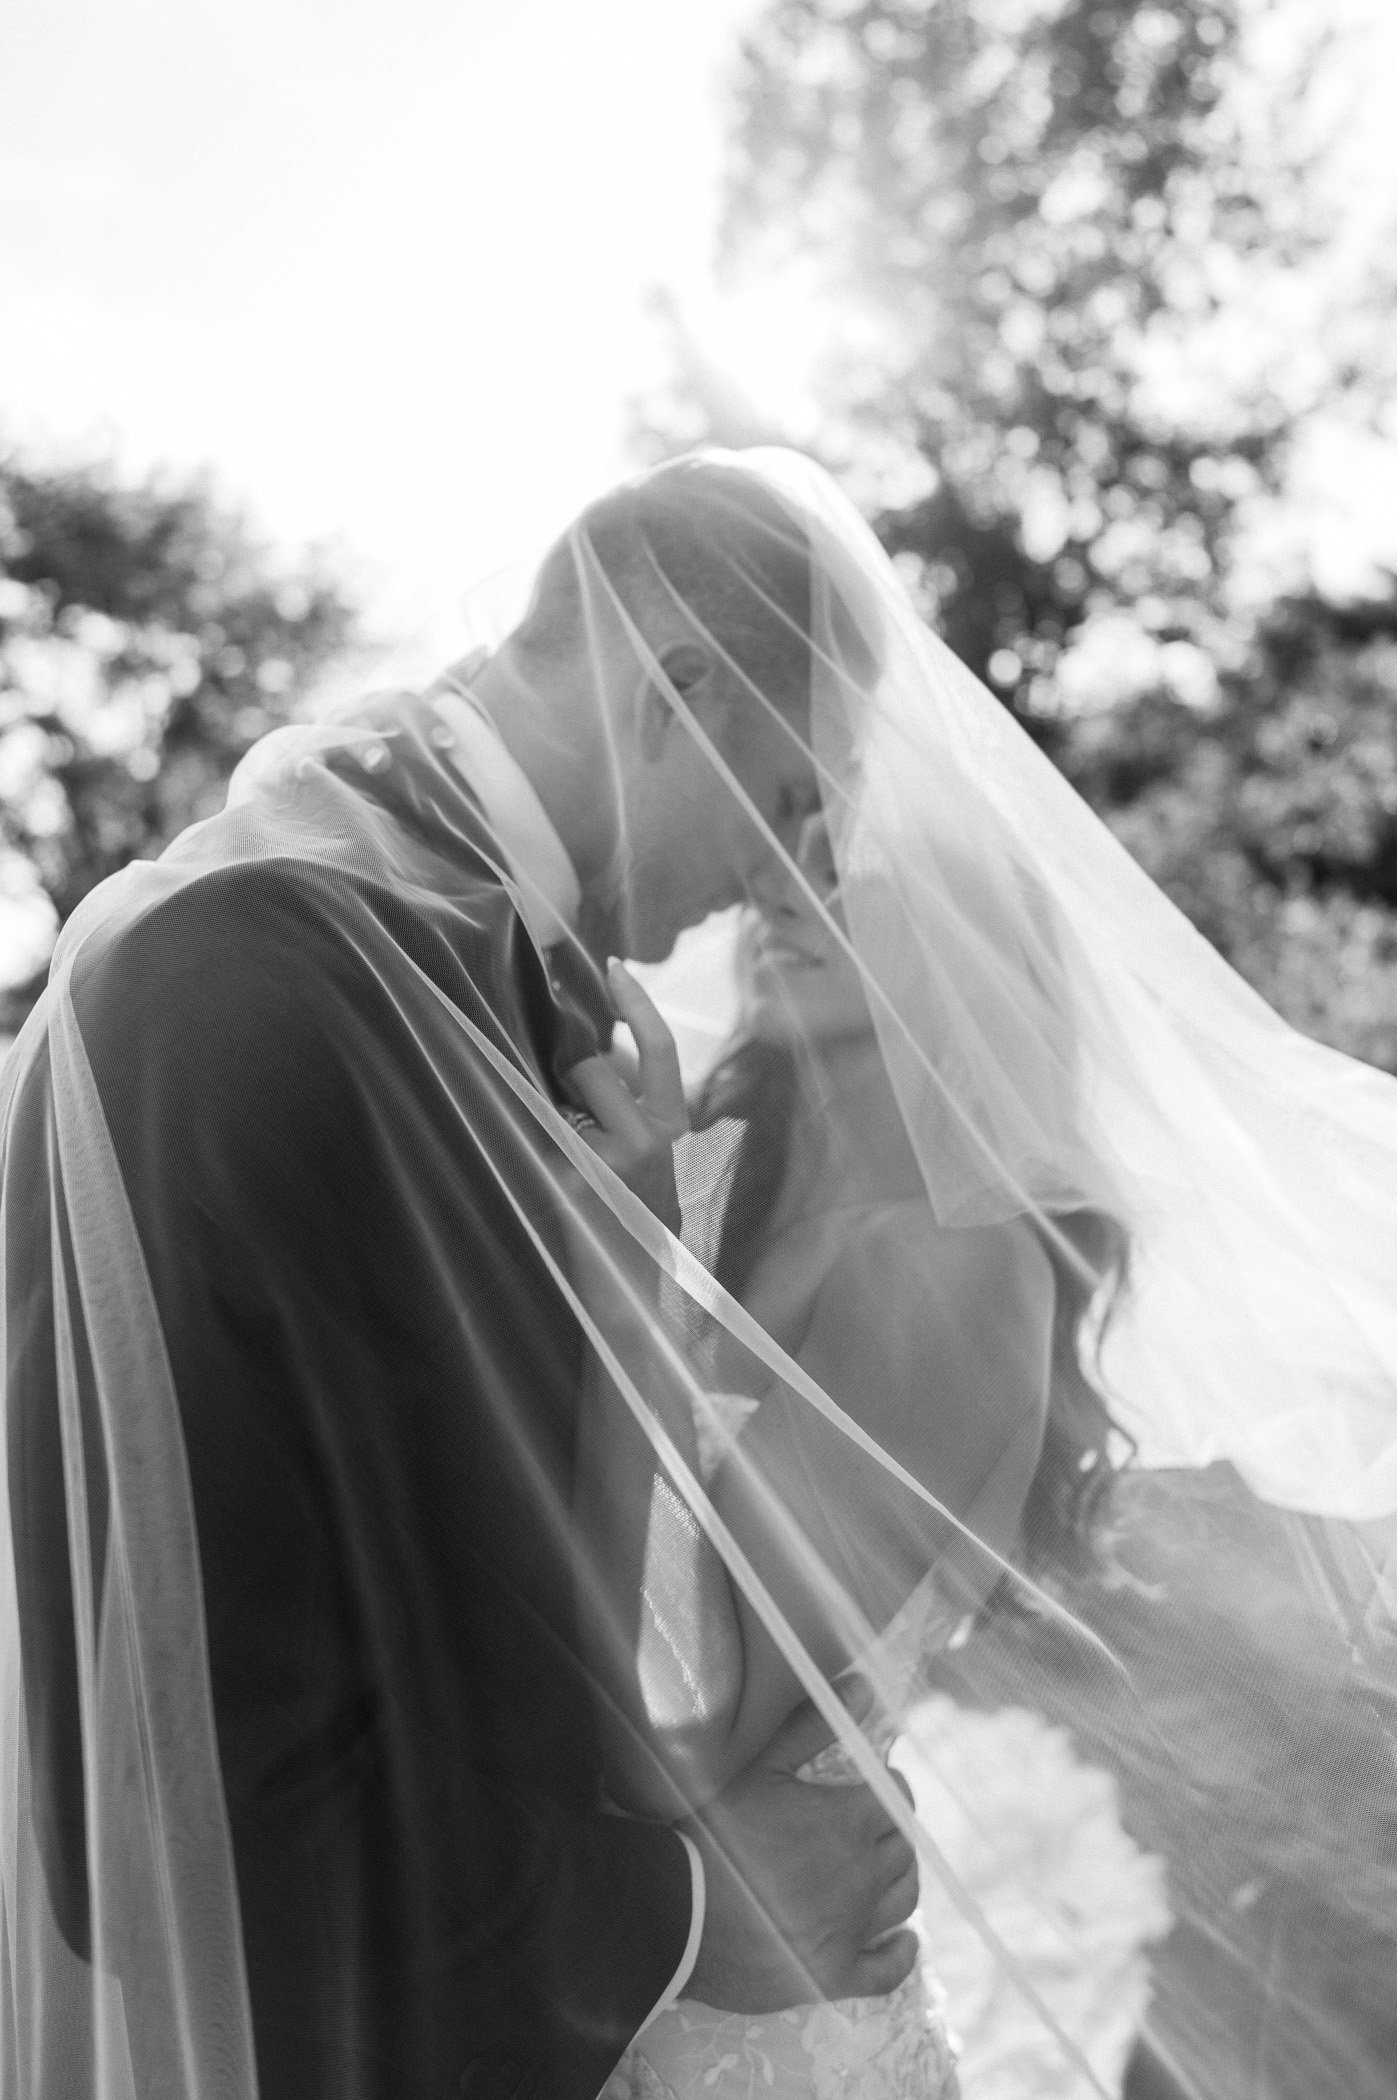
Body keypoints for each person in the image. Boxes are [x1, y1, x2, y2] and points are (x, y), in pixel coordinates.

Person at [0, 458, 920, 2100]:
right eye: (787, 797)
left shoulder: (447, 964)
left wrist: (625, 1286)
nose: (787, 876)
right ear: (677, 690)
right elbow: (165, 1790)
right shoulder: (261, 969)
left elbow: (484, 1611)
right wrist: (699, 1917)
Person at [582, 823, 1169, 2097]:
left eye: (846, 878)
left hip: (750, 2041)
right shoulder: (717, 1188)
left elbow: (675, 1732)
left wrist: (636, 1286)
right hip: (599, 1995)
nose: (778, 897)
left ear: (972, 964)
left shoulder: (953, 1265)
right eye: (783, 866)